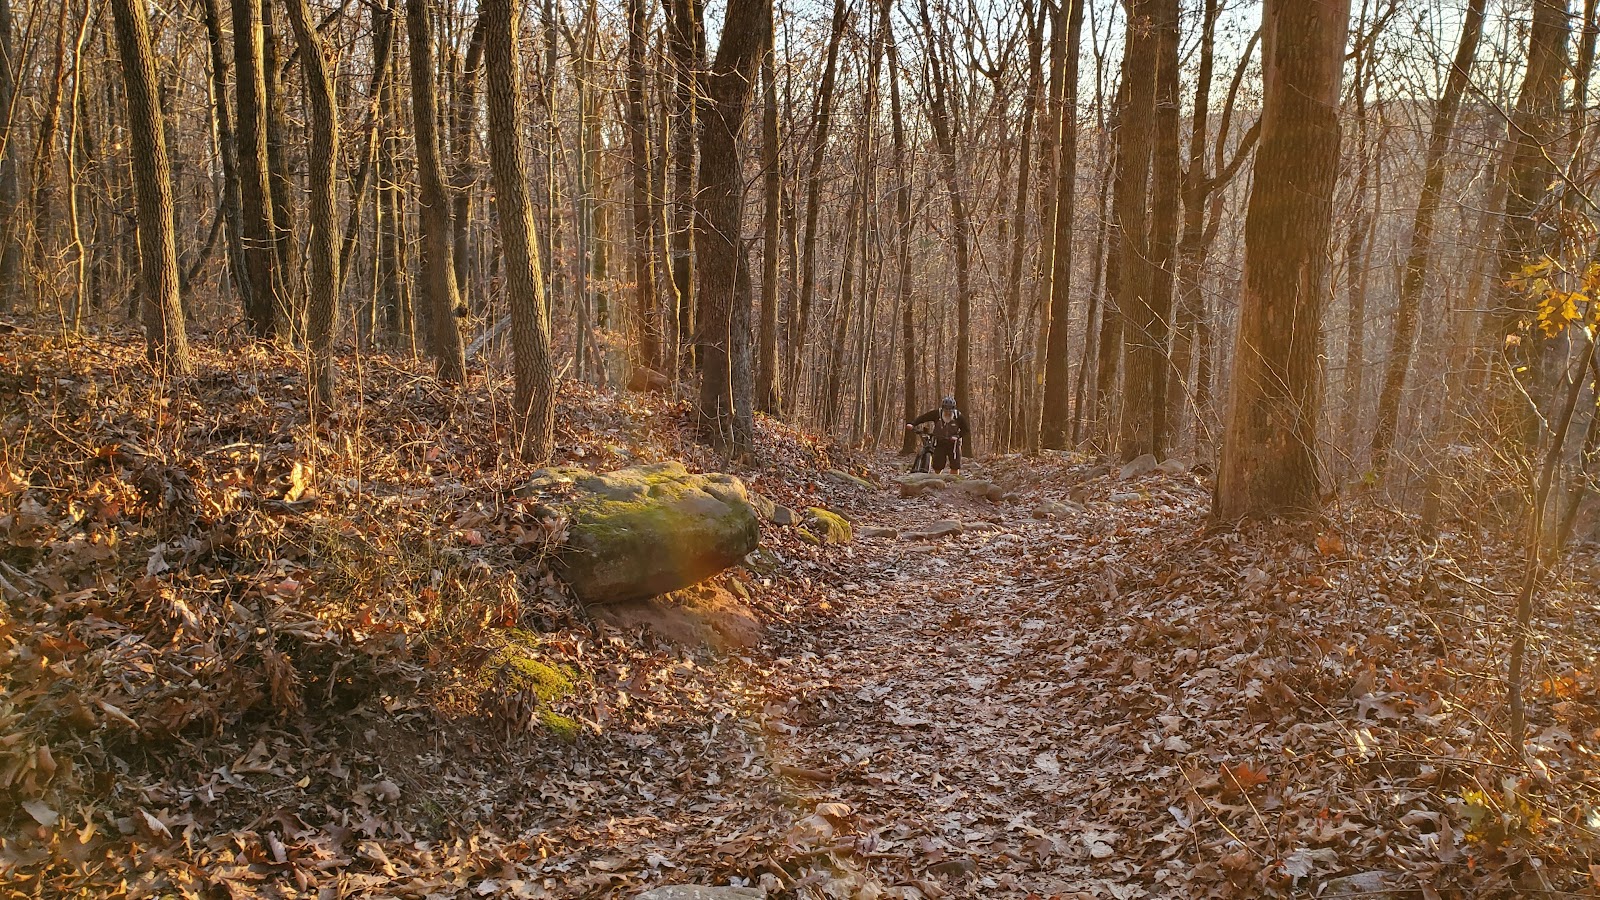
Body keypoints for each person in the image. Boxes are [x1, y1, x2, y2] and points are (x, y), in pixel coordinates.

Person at [906, 397, 970, 474]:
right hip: (940, 443)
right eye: (946, 410)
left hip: (954, 444)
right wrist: (913, 424)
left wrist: (957, 436)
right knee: (938, 465)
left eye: (950, 410)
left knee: (955, 465)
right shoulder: (937, 414)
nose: (948, 412)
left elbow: (966, 430)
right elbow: (923, 418)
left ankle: (954, 482)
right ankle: (937, 481)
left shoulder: (958, 416)